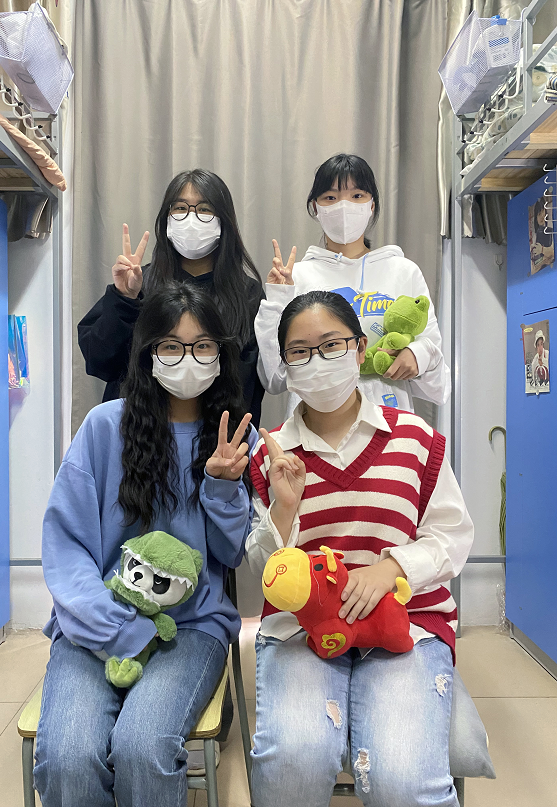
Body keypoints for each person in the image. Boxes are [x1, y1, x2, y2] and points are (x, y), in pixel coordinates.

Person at [246, 291, 473, 807]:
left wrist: (391, 568)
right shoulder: (271, 455)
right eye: (299, 352)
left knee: (402, 780)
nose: (317, 361)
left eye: (331, 345)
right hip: (302, 631)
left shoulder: (416, 439)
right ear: (286, 366)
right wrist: (284, 508)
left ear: (360, 348)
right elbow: (264, 571)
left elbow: (452, 534)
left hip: (407, 622)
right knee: (294, 760)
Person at [36, 283, 256, 807]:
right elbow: (66, 545)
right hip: (96, 621)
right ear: (148, 353)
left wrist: (222, 487)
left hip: (192, 627)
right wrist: (117, 627)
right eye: (171, 346)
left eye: (203, 346)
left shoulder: (232, 438)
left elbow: (231, 557)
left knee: (142, 747)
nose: (188, 359)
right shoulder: (103, 427)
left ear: (221, 355)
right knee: (68, 757)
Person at [255, 153, 450, 415]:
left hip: (388, 421)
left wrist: (419, 354)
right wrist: (278, 298)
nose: (344, 206)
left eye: (357, 195)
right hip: (315, 422)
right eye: (330, 197)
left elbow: (439, 385)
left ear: (372, 205)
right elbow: (274, 378)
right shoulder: (297, 276)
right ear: (315, 207)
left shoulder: (402, 271)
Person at [78, 169, 266, 424]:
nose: (191, 218)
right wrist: (124, 299)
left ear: (224, 220)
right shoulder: (139, 284)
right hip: (140, 432)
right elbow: (100, 362)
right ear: (166, 218)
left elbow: (250, 382)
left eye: (204, 209)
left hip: (217, 436)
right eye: (180, 208)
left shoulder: (247, 294)